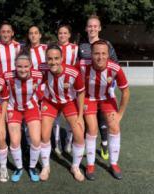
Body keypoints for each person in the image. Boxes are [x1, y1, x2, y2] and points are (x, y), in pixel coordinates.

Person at [77, 40, 130, 180]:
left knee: (114, 127)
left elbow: (126, 92)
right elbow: (70, 76)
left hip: (106, 98)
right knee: (92, 129)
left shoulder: (115, 68)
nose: (100, 57)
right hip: (89, 98)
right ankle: (90, 165)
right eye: (96, 53)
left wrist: (120, 114)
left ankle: (114, 164)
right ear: (91, 54)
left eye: (103, 53)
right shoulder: (82, 65)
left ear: (108, 54)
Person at [39, 44, 85, 182]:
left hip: (68, 103)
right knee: (44, 134)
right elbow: (33, 82)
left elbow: (81, 92)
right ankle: (46, 166)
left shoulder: (73, 72)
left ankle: (75, 167)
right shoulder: (42, 69)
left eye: (56, 58)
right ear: (46, 59)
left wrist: (81, 115)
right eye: (50, 59)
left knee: (79, 134)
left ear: (62, 58)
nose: (53, 62)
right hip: (50, 102)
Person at [78, 15, 118, 160]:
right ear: (86, 28)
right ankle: (84, 145)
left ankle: (105, 144)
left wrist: (110, 78)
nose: (92, 28)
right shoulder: (81, 46)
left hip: (105, 89)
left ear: (99, 28)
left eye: (95, 26)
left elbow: (115, 63)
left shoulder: (106, 44)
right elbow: (78, 67)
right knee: (88, 118)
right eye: (90, 26)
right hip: (87, 91)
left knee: (103, 117)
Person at [3, 52, 42, 182]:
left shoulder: (38, 75)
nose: (23, 69)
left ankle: (32, 167)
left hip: (31, 107)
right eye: (19, 66)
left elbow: (43, 90)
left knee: (36, 140)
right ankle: (19, 167)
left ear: (31, 65)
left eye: (26, 66)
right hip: (13, 108)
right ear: (15, 66)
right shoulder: (8, 76)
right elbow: (2, 94)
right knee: (14, 141)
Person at [53, 24, 79, 155]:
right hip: (55, 88)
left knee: (70, 120)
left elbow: (77, 68)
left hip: (70, 89)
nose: (62, 35)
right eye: (60, 33)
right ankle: (56, 143)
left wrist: (71, 83)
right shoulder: (52, 48)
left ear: (69, 35)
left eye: (65, 33)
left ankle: (68, 143)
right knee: (56, 119)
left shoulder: (75, 48)